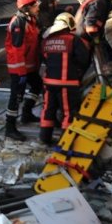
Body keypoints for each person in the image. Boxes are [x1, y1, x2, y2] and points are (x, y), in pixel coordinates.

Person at [40, 13, 91, 145]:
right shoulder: (73, 40)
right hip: (67, 83)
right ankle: (65, 142)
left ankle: (44, 138)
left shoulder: (46, 40)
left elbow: (44, 58)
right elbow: (83, 59)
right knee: (69, 112)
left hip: (49, 83)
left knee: (48, 110)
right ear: (69, 24)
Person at [4, 0, 44, 141]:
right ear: (27, 8)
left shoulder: (31, 20)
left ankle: (26, 113)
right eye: (35, 5)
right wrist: (21, 73)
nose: (38, 7)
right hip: (19, 67)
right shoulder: (19, 23)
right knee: (16, 96)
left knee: (37, 85)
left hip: (29, 65)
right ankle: (10, 128)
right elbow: (17, 49)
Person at [75, 0, 112, 74]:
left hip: (82, 33)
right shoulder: (99, 0)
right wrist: (96, 38)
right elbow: (90, 22)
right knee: (85, 62)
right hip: (84, 36)